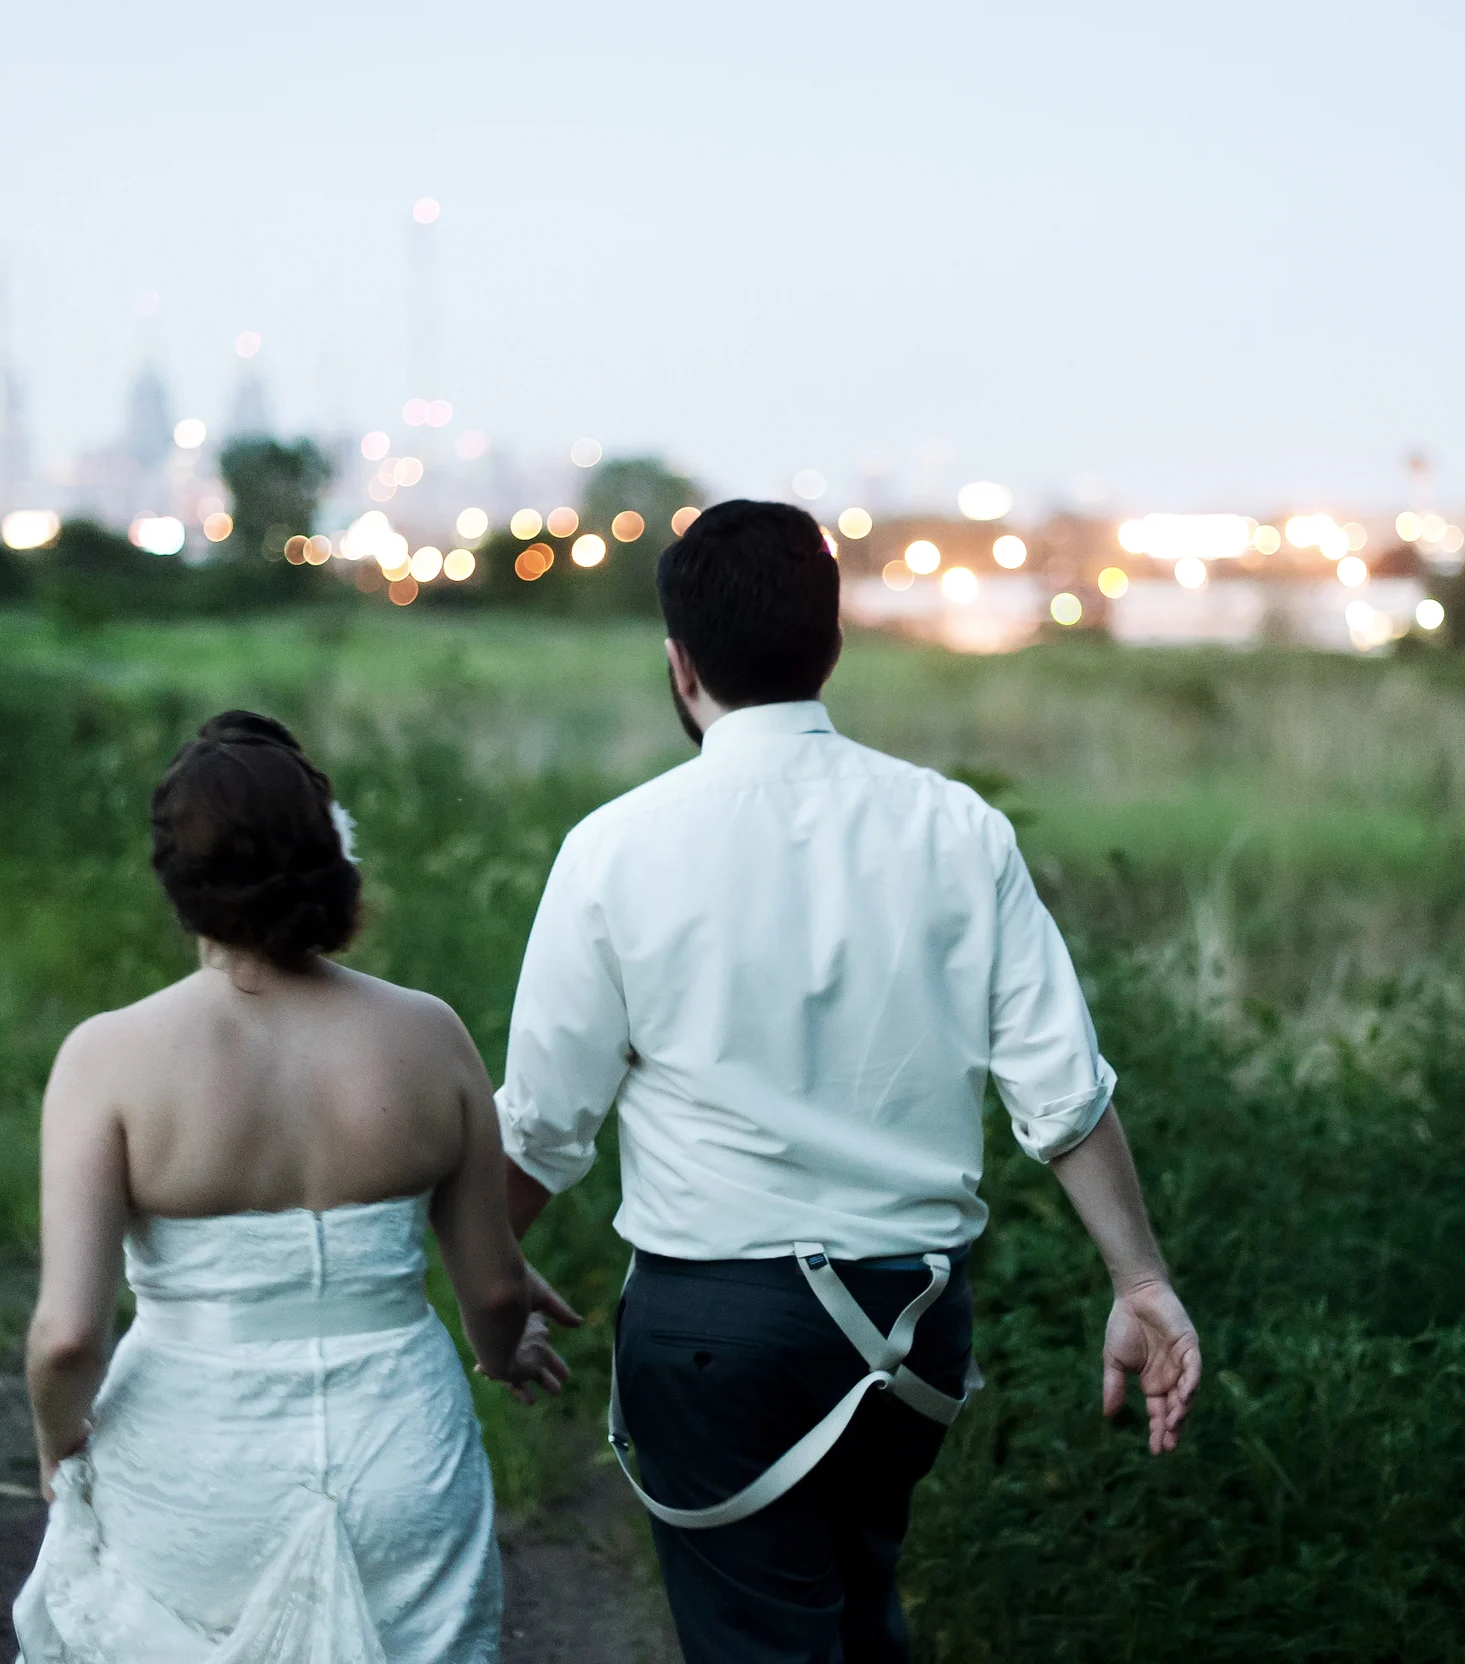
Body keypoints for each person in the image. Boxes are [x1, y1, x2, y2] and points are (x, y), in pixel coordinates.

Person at [495, 501, 1202, 1663]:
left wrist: (487, 1271)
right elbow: (1063, 1095)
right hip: (910, 1327)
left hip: (713, 1333)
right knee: (857, 1616)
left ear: (679, 664)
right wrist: (1140, 1279)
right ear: (831, 645)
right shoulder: (956, 828)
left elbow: (541, 1126)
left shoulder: (615, 847)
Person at [14, 711, 575, 1664]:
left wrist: (56, 1447)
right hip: (399, 1452)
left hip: (195, 1465)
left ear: (175, 881)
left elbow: (68, 1335)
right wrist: (504, 1350)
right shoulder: (428, 1036)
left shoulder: (106, 1059)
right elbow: (491, 1286)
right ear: (332, 860)